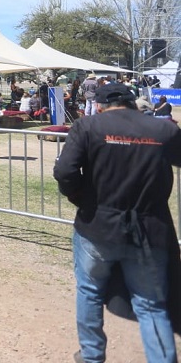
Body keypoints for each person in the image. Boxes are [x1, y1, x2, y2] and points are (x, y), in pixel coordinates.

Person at [53, 83, 181, 363]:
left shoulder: (88, 126)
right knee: (150, 305)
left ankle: (91, 355)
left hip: (97, 226)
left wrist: (80, 198)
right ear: (133, 102)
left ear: (99, 106)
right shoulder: (163, 129)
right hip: (148, 229)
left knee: (89, 292)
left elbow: (64, 171)